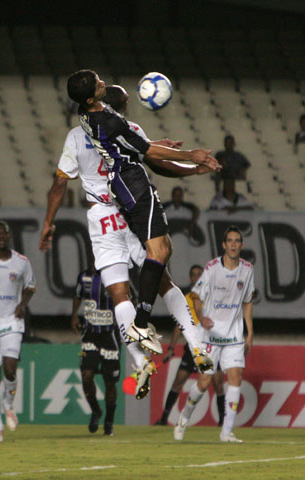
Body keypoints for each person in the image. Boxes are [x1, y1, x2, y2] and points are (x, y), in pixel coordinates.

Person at [40, 84, 216, 399]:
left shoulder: (77, 134)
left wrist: (49, 222)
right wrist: (192, 168)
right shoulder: (131, 128)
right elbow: (157, 162)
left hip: (102, 218)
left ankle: (140, 360)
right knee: (164, 279)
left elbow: (58, 185)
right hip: (131, 210)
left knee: (120, 296)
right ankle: (197, 345)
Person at [174, 226, 254, 443]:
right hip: (209, 335)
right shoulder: (211, 269)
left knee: (235, 376)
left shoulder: (247, 270)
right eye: (230, 241)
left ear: (241, 245)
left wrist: (250, 332)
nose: (234, 244)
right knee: (205, 382)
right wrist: (200, 317)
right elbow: (196, 296)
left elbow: (247, 301)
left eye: (237, 240)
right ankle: (184, 417)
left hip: (234, 336)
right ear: (224, 245)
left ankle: (226, 432)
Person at [0, 220, 35, 442]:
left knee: (10, 369)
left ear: (9, 237)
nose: (1, 237)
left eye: (4, 233)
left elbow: (31, 286)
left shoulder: (21, 262)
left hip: (11, 323)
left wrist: (23, 305)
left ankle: (9, 406)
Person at [155, 264, 225, 426]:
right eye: (194, 274)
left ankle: (223, 422)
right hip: (193, 347)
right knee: (178, 381)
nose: (197, 277)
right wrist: (171, 348)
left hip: (211, 346)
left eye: (200, 274)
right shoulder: (185, 298)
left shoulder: (213, 297)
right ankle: (164, 418)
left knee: (218, 383)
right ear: (190, 278)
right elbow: (179, 325)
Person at [71, 268, 119, 436]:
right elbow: (78, 295)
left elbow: (129, 298)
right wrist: (74, 315)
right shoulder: (83, 276)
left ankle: (109, 420)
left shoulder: (116, 273)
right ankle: (96, 410)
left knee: (110, 381)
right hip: (89, 334)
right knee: (86, 375)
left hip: (110, 336)